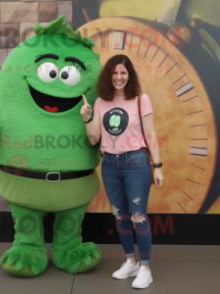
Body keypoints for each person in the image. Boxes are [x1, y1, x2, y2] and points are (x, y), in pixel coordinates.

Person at [80, 54, 164, 289]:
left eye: (123, 73)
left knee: (139, 217)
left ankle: (146, 268)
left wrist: (157, 166)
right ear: (109, 75)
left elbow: (150, 135)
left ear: (130, 75)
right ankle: (131, 261)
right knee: (120, 217)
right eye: (114, 73)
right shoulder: (100, 102)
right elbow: (94, 138)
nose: (119, 77)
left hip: (136, 163)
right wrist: (87, 119)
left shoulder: (140, 99)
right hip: (109, 164)